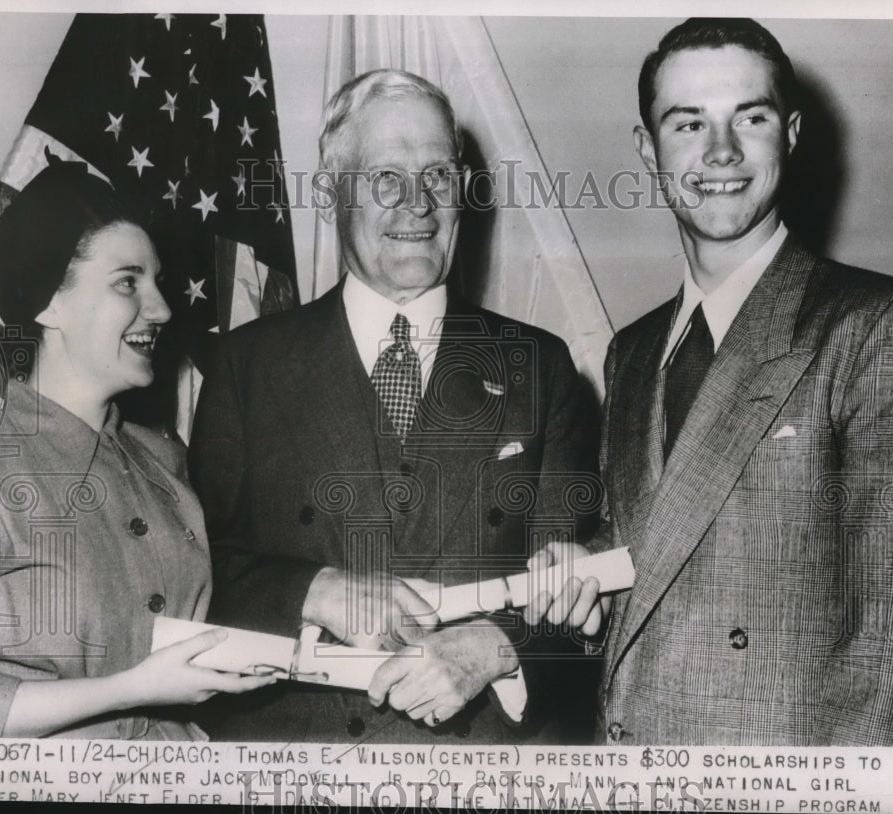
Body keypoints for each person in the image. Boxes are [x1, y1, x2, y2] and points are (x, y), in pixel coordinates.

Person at [533, 17, 893, 745]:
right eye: (687, 123)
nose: (719, 152)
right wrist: (587, 568)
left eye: (747, 118)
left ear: (789, 132)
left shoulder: (887, 327)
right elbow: (661, 552)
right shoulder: (633, 351)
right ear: (647, 148)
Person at [188, 69, 600, 743]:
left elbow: (581, 599)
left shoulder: (541, 366)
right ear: (328, 195)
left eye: (438, 176)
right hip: (299, 767)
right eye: (385, 178)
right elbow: (193, 582)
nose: (419, 205)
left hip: (484, 769)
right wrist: (311, 591)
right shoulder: (245, 366)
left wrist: (496, 646)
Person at [0, 159, 274, 739]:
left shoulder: (166, 465)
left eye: (155, 282)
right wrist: (133, 690)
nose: (160, 309)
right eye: (127, 282)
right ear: (46, 303)